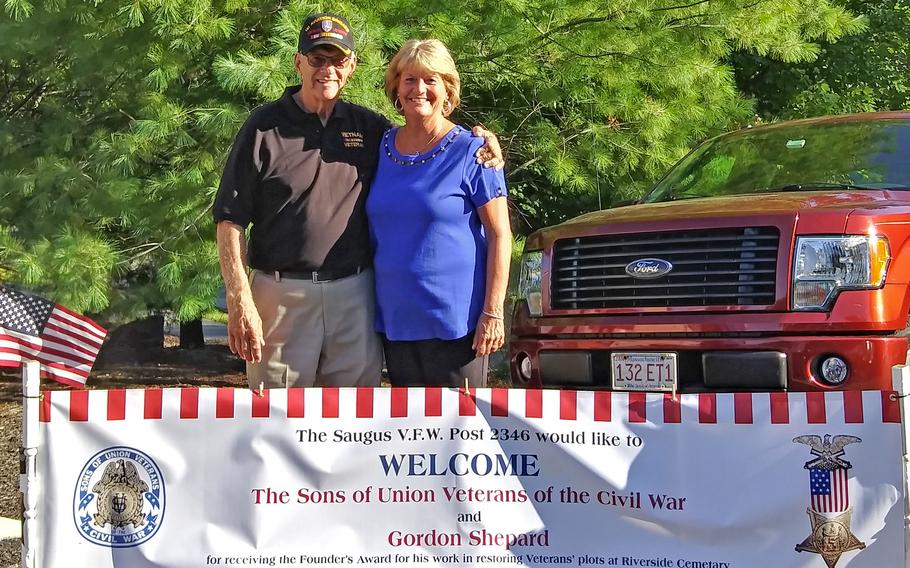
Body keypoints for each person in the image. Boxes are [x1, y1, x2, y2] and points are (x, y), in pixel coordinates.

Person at [213, 14, 501, 389]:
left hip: (355, 297)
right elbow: (229, 220)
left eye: (338, 60)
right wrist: (239, 298)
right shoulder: (263, 128)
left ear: (351, 67)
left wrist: (481, 139)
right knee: (278, 422)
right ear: (298, 62)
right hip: (281, 296)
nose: (327, 69)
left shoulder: (371, 130)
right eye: (317, 59)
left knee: (355, 423)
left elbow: (426, 137)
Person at [366, 39, 512, 388]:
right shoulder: (379, 148)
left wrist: (493, 312)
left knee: (459, 434)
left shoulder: (474, 151)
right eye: (410, 80)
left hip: (457, 327)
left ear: (448, 90)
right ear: (396, 89)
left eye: (431, 80)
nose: (420, 89)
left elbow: (500, 234)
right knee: (412, 435)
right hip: (397, 322)